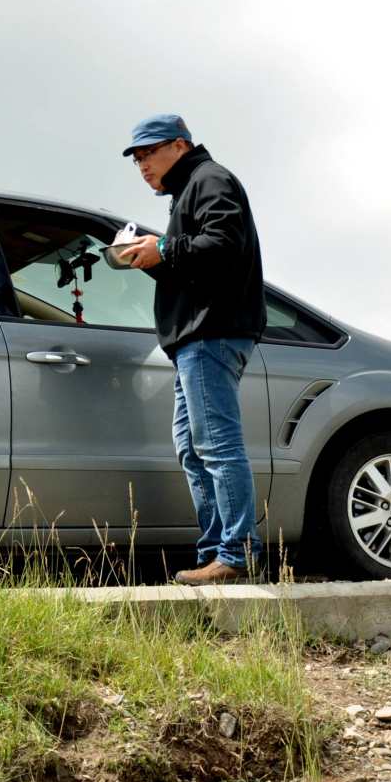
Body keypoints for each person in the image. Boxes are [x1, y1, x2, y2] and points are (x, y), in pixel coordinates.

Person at [116, 113, 268, 584]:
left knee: (216, 445)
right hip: (196, 338)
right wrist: (152, 258)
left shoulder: (210, 179)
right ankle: (214, 554)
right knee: (192, 447)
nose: (142, 165)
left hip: (211, 334)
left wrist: (165, 249)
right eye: (136, 158)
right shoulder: (189, 191)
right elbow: (200, 265)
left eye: (148, 153)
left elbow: (224, 244)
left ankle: (237, 556)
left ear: (179, 145)